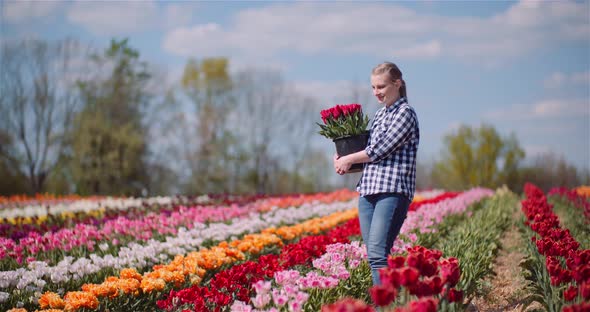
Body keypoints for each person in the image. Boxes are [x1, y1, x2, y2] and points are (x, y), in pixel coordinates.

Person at [333, 61, 419, 286]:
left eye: (381, 86)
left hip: (391, 191)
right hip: (369, 190)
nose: (376, 92)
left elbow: (379, 149)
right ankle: (393, 301)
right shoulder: (380, 115)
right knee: (374, 256)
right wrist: (344, 161)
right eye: (373, 87)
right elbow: (366, 151)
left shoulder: (405, 113)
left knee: (379, 254)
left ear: (397, 83)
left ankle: (384, 304)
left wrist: (349, 158)